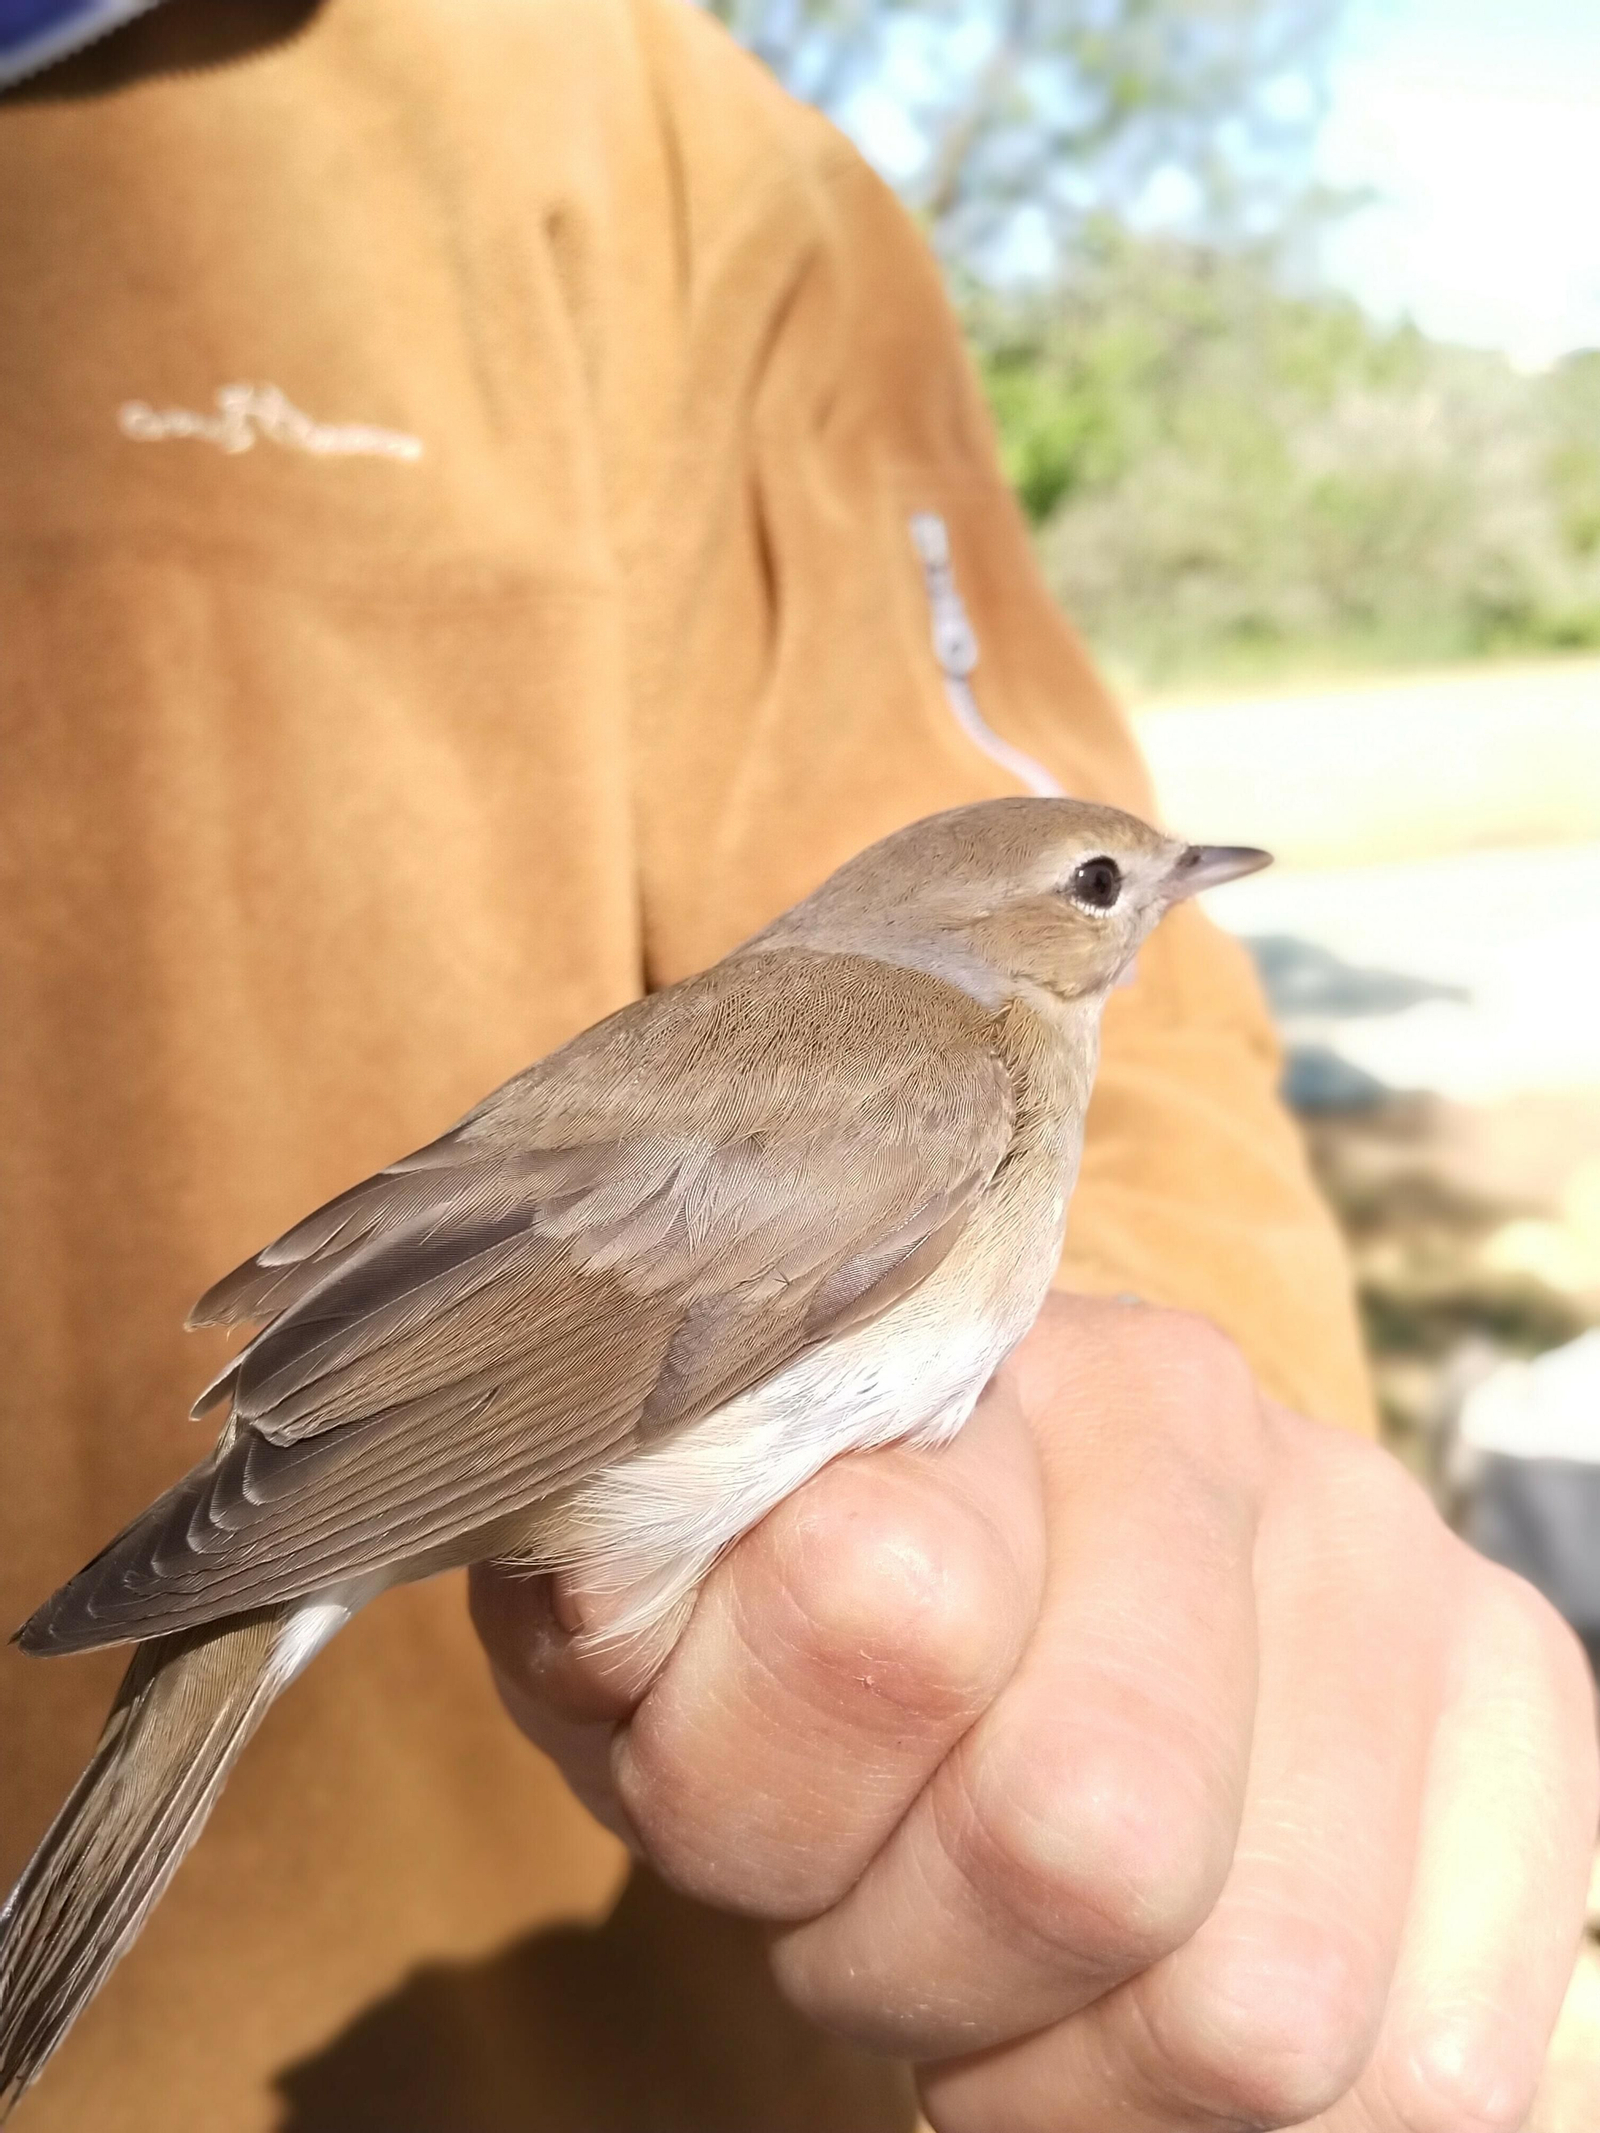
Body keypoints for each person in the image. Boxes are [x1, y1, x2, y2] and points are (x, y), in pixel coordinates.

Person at [0, 2, 1592, 2129]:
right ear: (1013, 934)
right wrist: (266, 1537)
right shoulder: (948, 1066)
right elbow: (611, 1330)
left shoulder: (674, 165)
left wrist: (1185, 1592)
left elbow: (1176, 1217)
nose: (1152, 894)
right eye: (1110, 881)